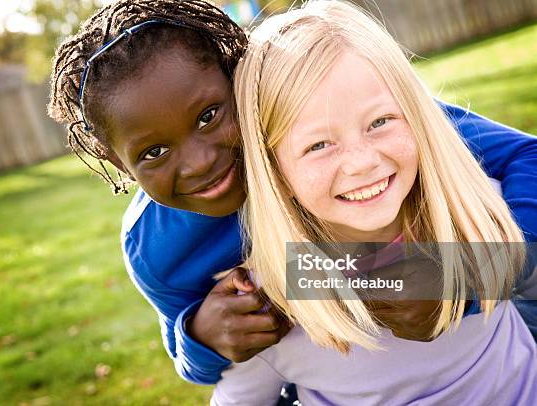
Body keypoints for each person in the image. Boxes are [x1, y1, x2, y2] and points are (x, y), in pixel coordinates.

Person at [47, 0, 537, 388]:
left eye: (208, 116)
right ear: (118, 165)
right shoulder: (159, 252)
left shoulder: (342, 122)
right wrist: (201, 339)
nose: (198, 162)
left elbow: (526, 157)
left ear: (240, 80)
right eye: (153, 152)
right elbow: (190, 355)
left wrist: (478, 274)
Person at [211, 1, 536, 404]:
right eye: (319, 145)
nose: (362, 162)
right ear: (275, 173)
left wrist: (469, 279)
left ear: (417, 118)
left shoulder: (480, 214)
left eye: (380, 122)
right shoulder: (267, 303)